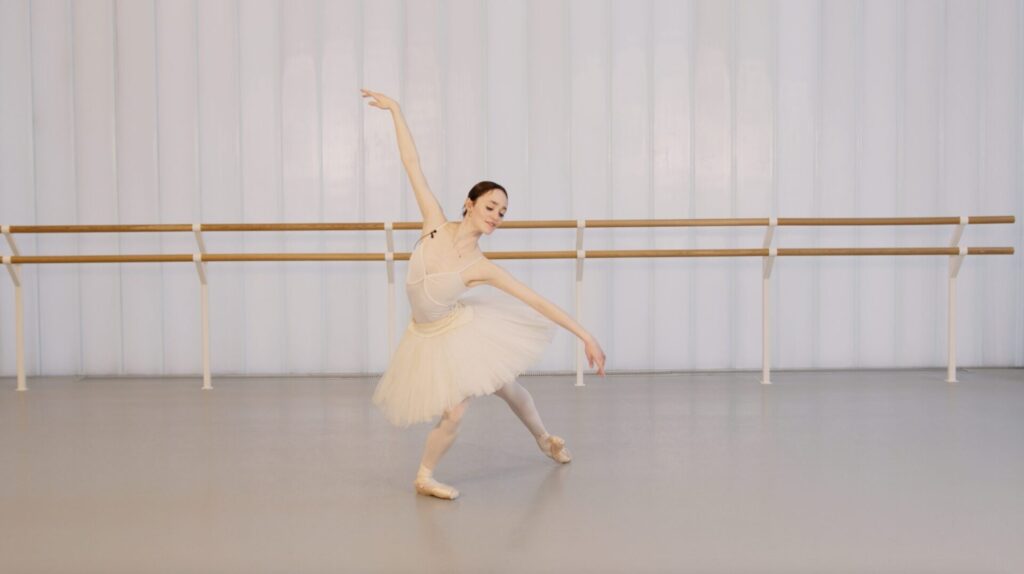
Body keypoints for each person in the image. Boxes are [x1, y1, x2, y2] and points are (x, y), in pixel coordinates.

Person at [362, 89, 606, 500]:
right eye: (492, 206)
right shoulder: (434, 223)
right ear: (470, 204)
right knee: (497, 390)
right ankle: (529, 444)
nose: (497, 216)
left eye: (503, 212)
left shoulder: (481, 267)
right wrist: (397, 112)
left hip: (458, 331)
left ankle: (540, 440)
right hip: (426, 336)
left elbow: (538, 302)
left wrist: (586, 336)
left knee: (495, 392)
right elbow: (412, 164)